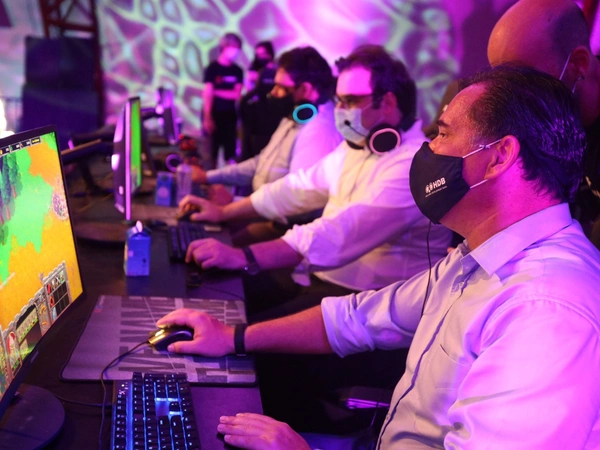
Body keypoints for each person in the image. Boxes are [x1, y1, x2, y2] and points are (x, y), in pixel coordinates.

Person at [158, 64, 600, 448]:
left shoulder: (547, 310)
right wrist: (232, 337)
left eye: (443, 133)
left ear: (499, 157)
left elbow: (337, 239)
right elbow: (361, 317)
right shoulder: (478, 255)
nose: (429, 149)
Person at [181, 45, 452, 319]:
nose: (339, 110)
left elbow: (341, 231)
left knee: (239, 324)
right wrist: (223, 212)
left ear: (388, 103)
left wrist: (244, 256)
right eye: (338, 100)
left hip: (370, 306)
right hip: (323, 281)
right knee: (212, 290)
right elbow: (297, 187)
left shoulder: (412, 165)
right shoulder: (357, 147)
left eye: (350, 101)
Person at [487, 0, 600, 248]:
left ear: (578, 63)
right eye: (505, 84)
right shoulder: (556, 122)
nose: (517, 97)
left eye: (526, 80)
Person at [193, 46, 341, 208]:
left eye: (282, 87)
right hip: (261, 211)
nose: (273, 93)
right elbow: (262, 163)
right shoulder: (295, 116)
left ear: (305, 89)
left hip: (276, 221)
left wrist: (233, 203)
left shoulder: (319, 130)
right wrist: (207, 177)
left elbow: (299, 201)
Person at [202, 32, 244, 166]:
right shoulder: (212, 69)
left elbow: (236, 94)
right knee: (211, 153)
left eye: (238, 48)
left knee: (230, 153)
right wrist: (207, 117)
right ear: (224, 47)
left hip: (230, 115)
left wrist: (215, 91)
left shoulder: (237, 70)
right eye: (233, 47)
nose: (235, 52)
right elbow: (207, 95)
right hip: (213, 114)